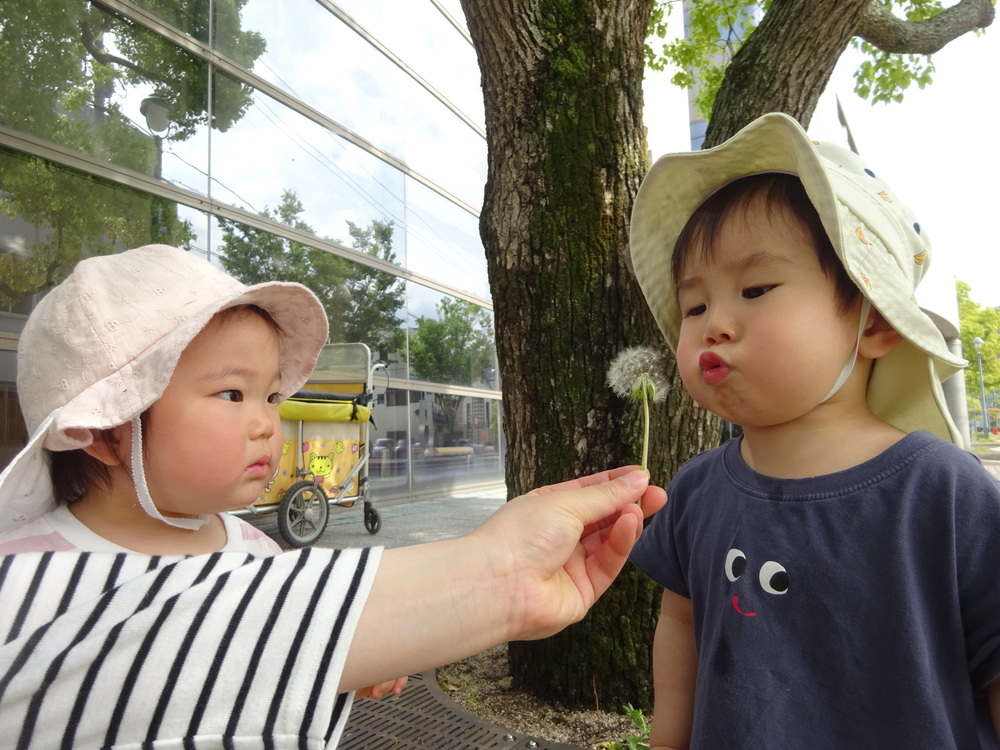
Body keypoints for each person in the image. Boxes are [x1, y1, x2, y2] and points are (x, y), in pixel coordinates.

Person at [0, 244, 666, 749]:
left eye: (270, 395)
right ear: (105, 427)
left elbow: (267, 657)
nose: (268, 421)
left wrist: (349, 658)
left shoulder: (258, 550)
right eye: (233, 394)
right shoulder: (24, 579)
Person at [627, 112, 1000, 749]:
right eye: (695, 306)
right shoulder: (692, 493)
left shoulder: (944, 492)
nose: (714, 324)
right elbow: (681, 631)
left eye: (756, 288)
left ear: (875, 322)